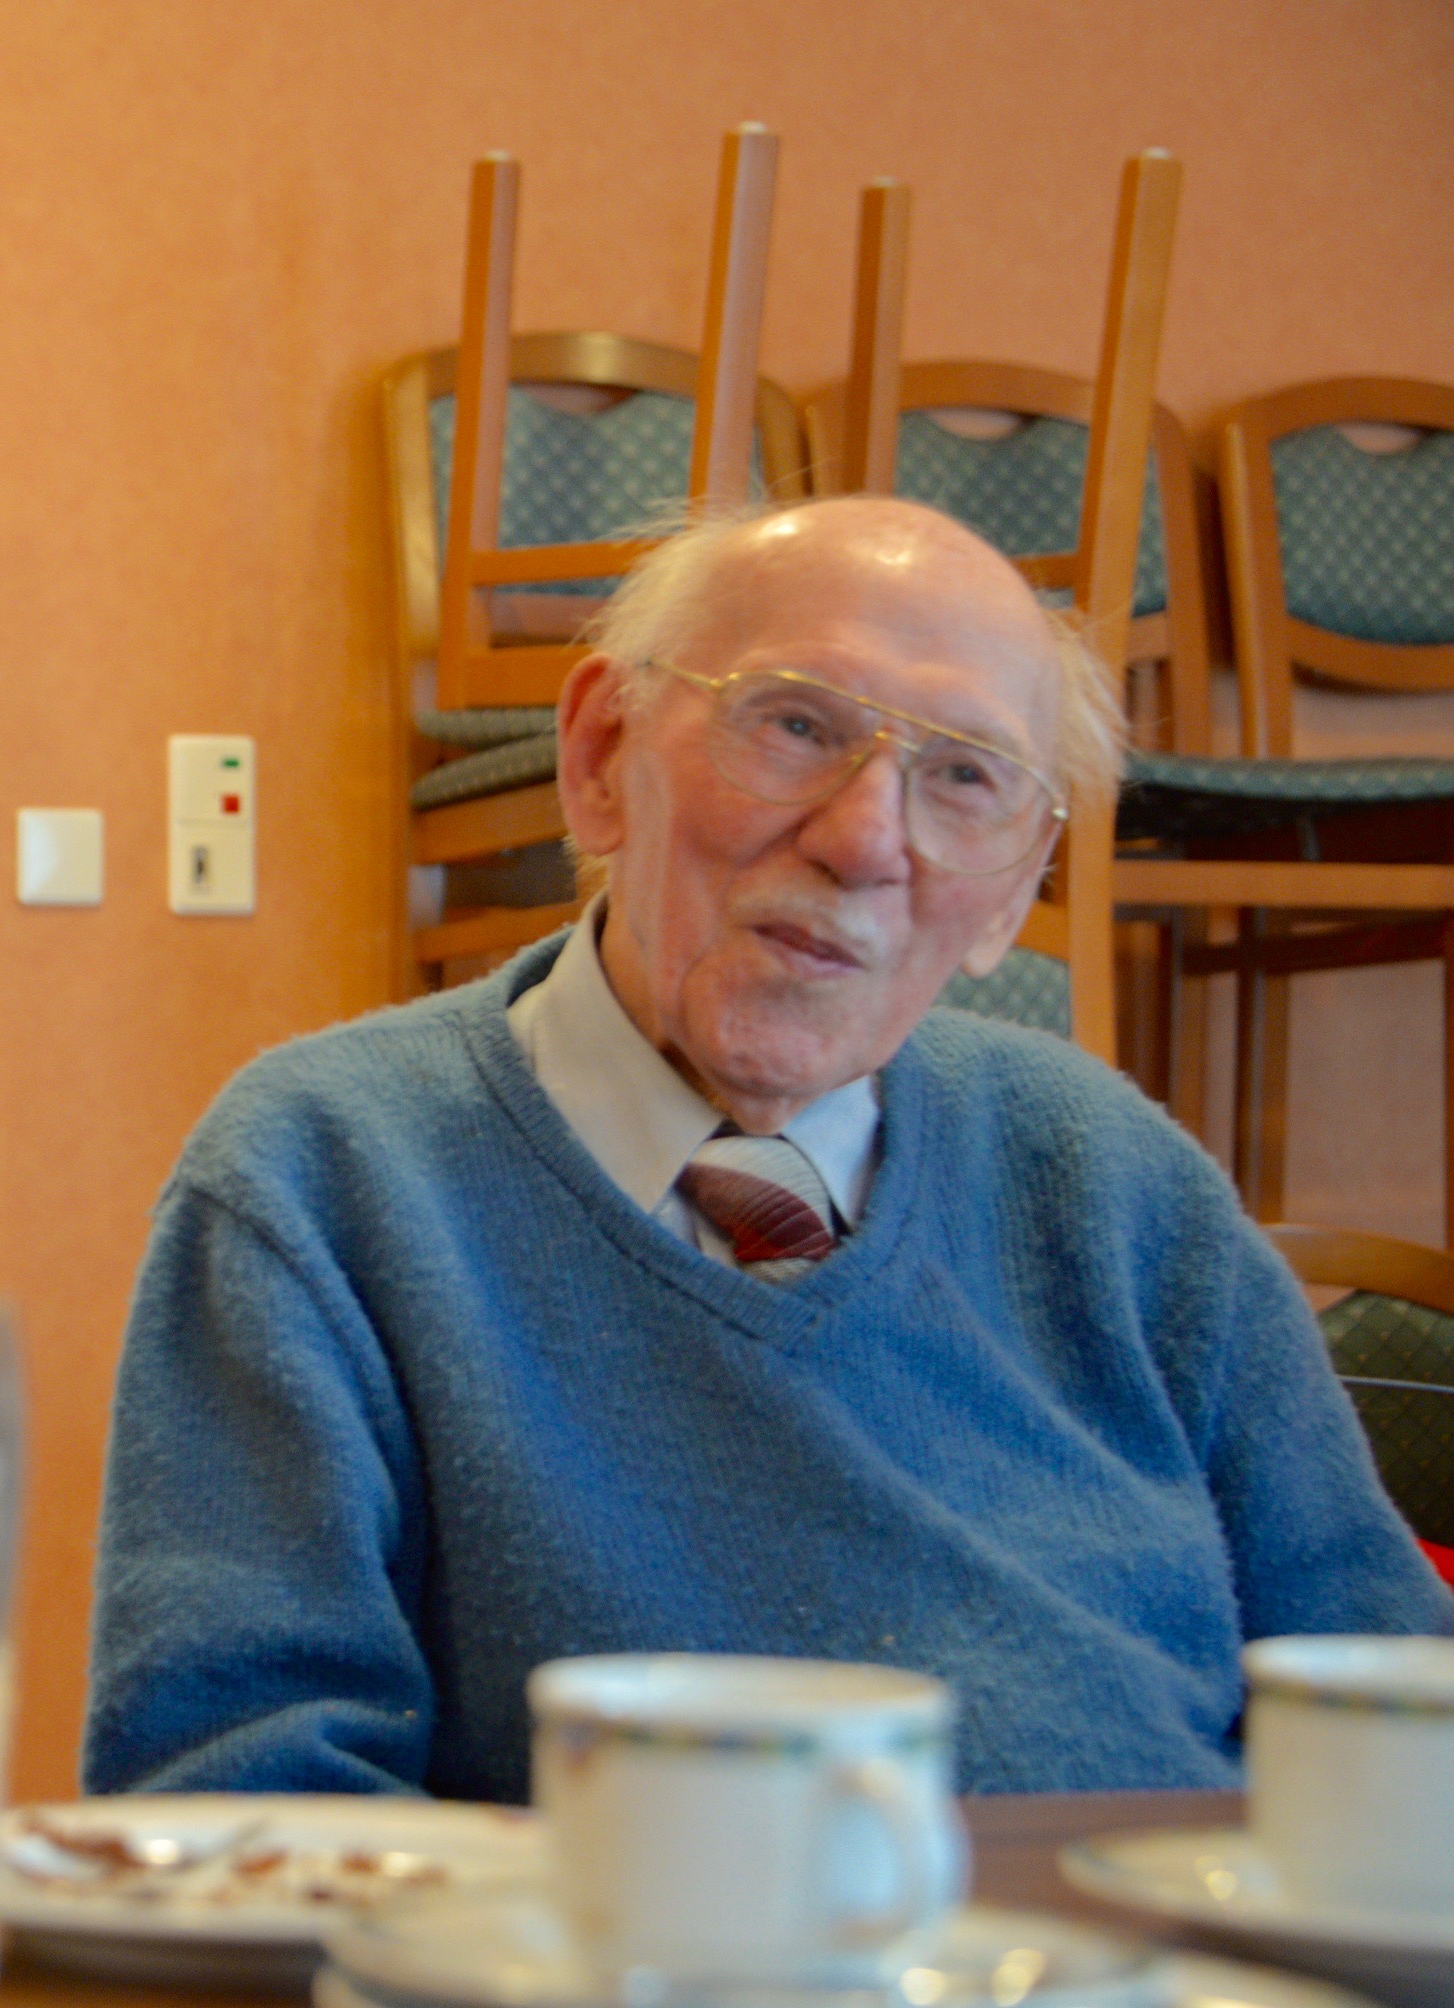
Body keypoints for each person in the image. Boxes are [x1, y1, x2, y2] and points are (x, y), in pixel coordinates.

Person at [84, 498, 1454, 1804]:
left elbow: (1398, 1711)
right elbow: (241, 1801)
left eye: (964, 777)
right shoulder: (324, 1173)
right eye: (796, 725)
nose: (864, 839)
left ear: (1013, 895)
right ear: (602, 756)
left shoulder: (1114, 1179)